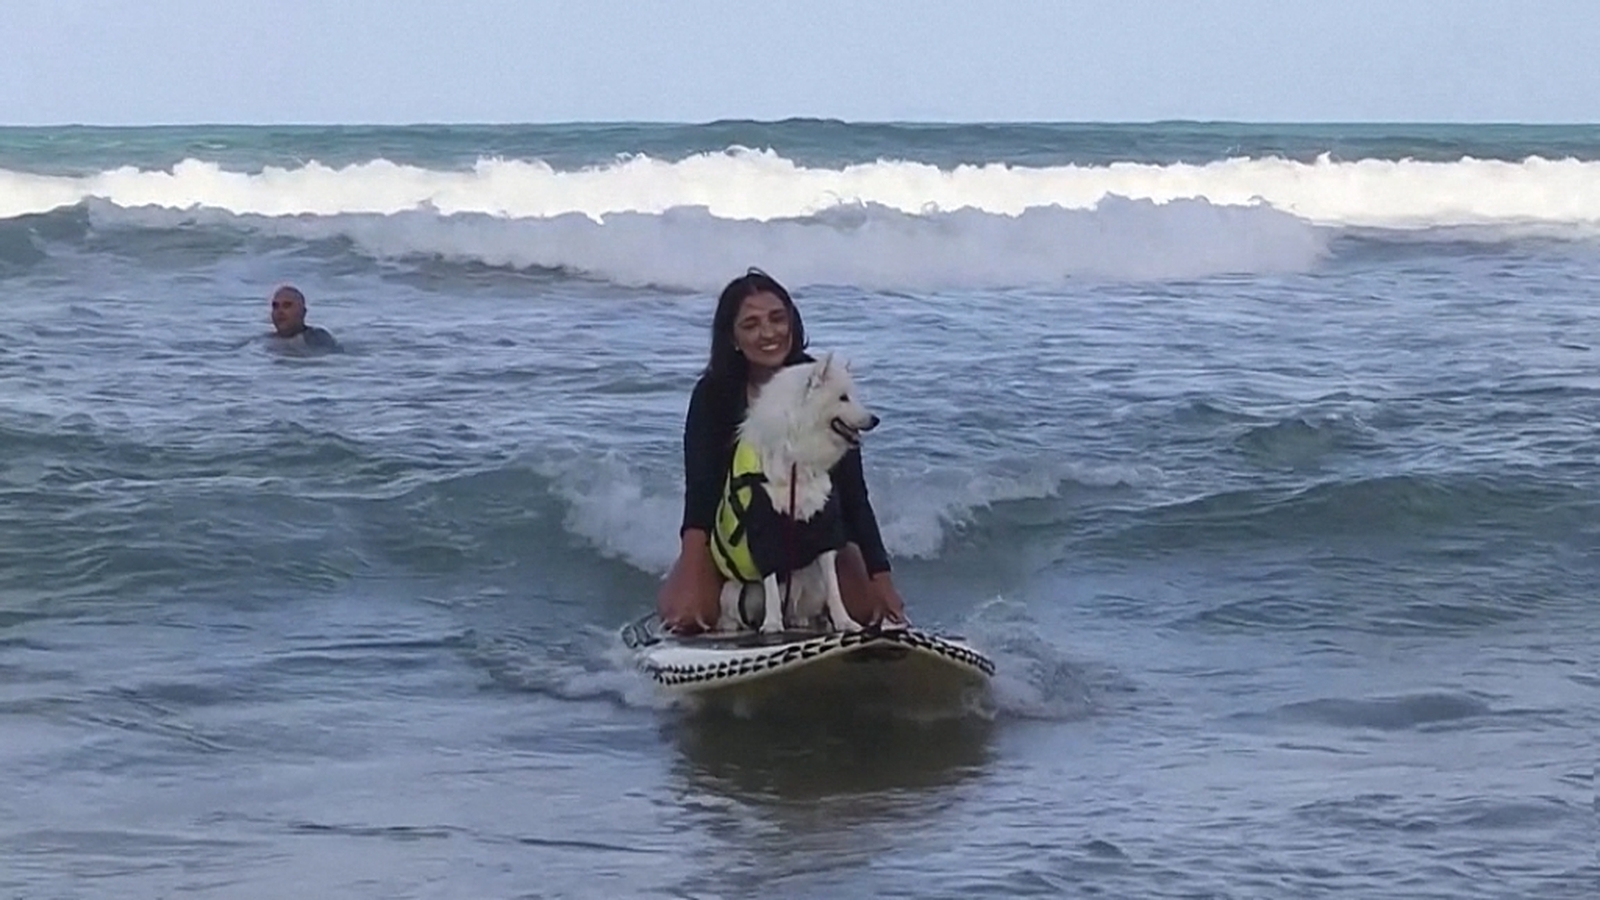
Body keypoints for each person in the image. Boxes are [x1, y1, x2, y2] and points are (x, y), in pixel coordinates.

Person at [657, 268, 908, 634]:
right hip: (742, 537)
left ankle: (812, 607)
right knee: (687, 613)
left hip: (816, 534)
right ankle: (706, 592)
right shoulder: (714, 394)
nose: (769, 333)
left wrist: (880, 575)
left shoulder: (824, 383)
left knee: (868, 608)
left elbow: (854, 496)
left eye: (777, 318)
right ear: (733, 337)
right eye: (752, 324)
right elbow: (701, 495)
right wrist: (693, 576)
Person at [268, 285, 339, 350]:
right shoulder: (266, 340)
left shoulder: (318, 338)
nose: (280, 311)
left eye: (287, 306)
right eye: (275, 306)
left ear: (303, 312)